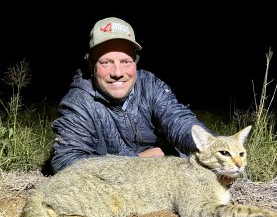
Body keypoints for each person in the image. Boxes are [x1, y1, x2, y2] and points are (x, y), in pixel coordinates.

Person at [51, 17, 214, 174]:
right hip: (116, 189)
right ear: (91, 65)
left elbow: (179, 121)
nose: (117, 73)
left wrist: (215, 149)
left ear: (136, 63)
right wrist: (138, 160)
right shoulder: (78, 103)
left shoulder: (150, 85)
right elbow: (66, 162)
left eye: (126, 62)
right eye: (106, 62)